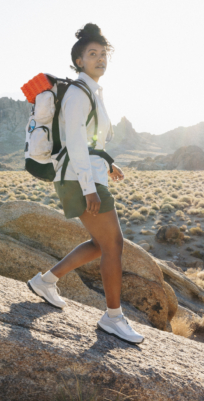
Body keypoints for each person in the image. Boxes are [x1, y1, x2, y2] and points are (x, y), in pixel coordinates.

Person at [27, 23, 144, 345]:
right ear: (79, 60)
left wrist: (107, 162)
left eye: (103, 54)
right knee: (114, 246)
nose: (100, 59)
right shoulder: (79, 93)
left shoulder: (92, 91)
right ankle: (113, 317)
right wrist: (89, 187)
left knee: (100, 244)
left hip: (83, 174)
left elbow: (89, 141)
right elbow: (76, 141)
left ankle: (46, 281)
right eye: (92, 54)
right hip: (79, 179)